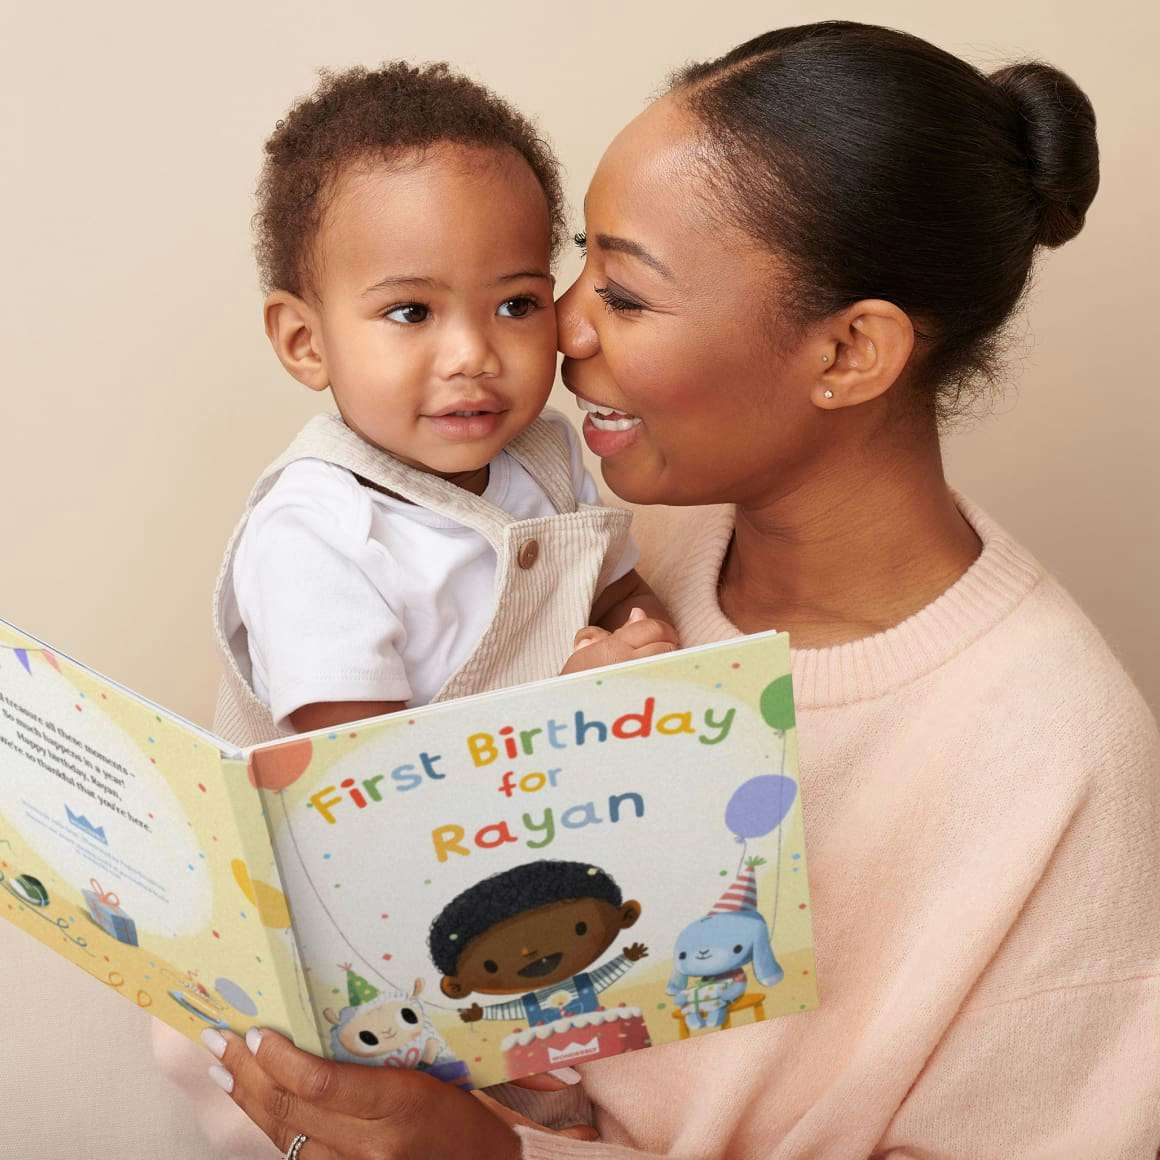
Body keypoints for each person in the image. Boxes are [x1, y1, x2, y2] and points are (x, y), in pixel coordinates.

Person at [187, 21, 1160, 1158]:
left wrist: (492, 1154)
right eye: (576, 264)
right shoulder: (557, 530)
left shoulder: (1056, 749)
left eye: (627, 294)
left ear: (848, 353)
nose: (562, 326)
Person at [211, 61, 675, 749]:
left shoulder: (545, 456)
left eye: (516, 305)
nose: (473, 356)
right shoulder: (315, 533)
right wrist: (580, 705)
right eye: (411, 311)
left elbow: (615, 595)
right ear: (306, 342)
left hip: (542, 819)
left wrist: (651, 645)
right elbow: (364, 779)